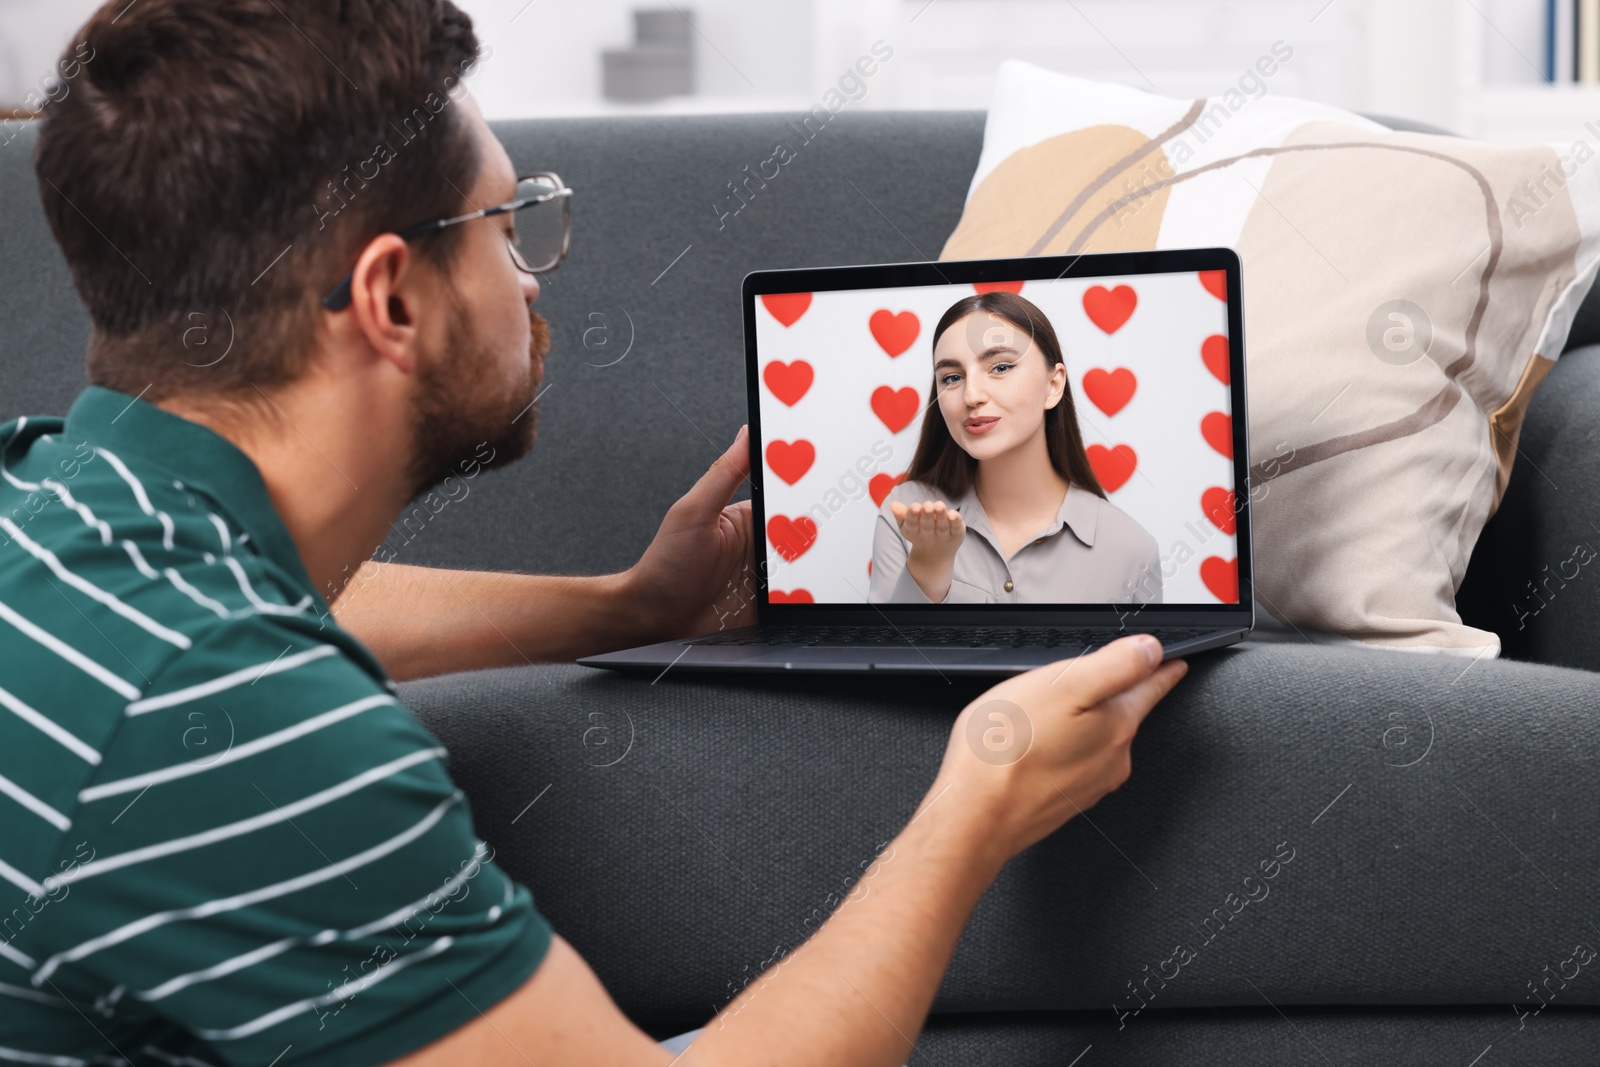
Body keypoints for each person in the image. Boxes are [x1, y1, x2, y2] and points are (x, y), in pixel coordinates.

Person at [0, 2, 1188, 1065]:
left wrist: (633, 604)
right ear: (393, 298)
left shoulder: (57, 514)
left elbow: (293, 602)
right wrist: (974, 810)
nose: (529, 276)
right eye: (505, 225)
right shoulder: (236, 720)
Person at [869, 292, 1163, 605]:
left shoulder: (1132, 549)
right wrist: (928, 565)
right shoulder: (906, 512)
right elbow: (886, 653)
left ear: (1054, 385)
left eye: (1000, 368)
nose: (972, 396)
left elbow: (1140, 656)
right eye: (952, 377)